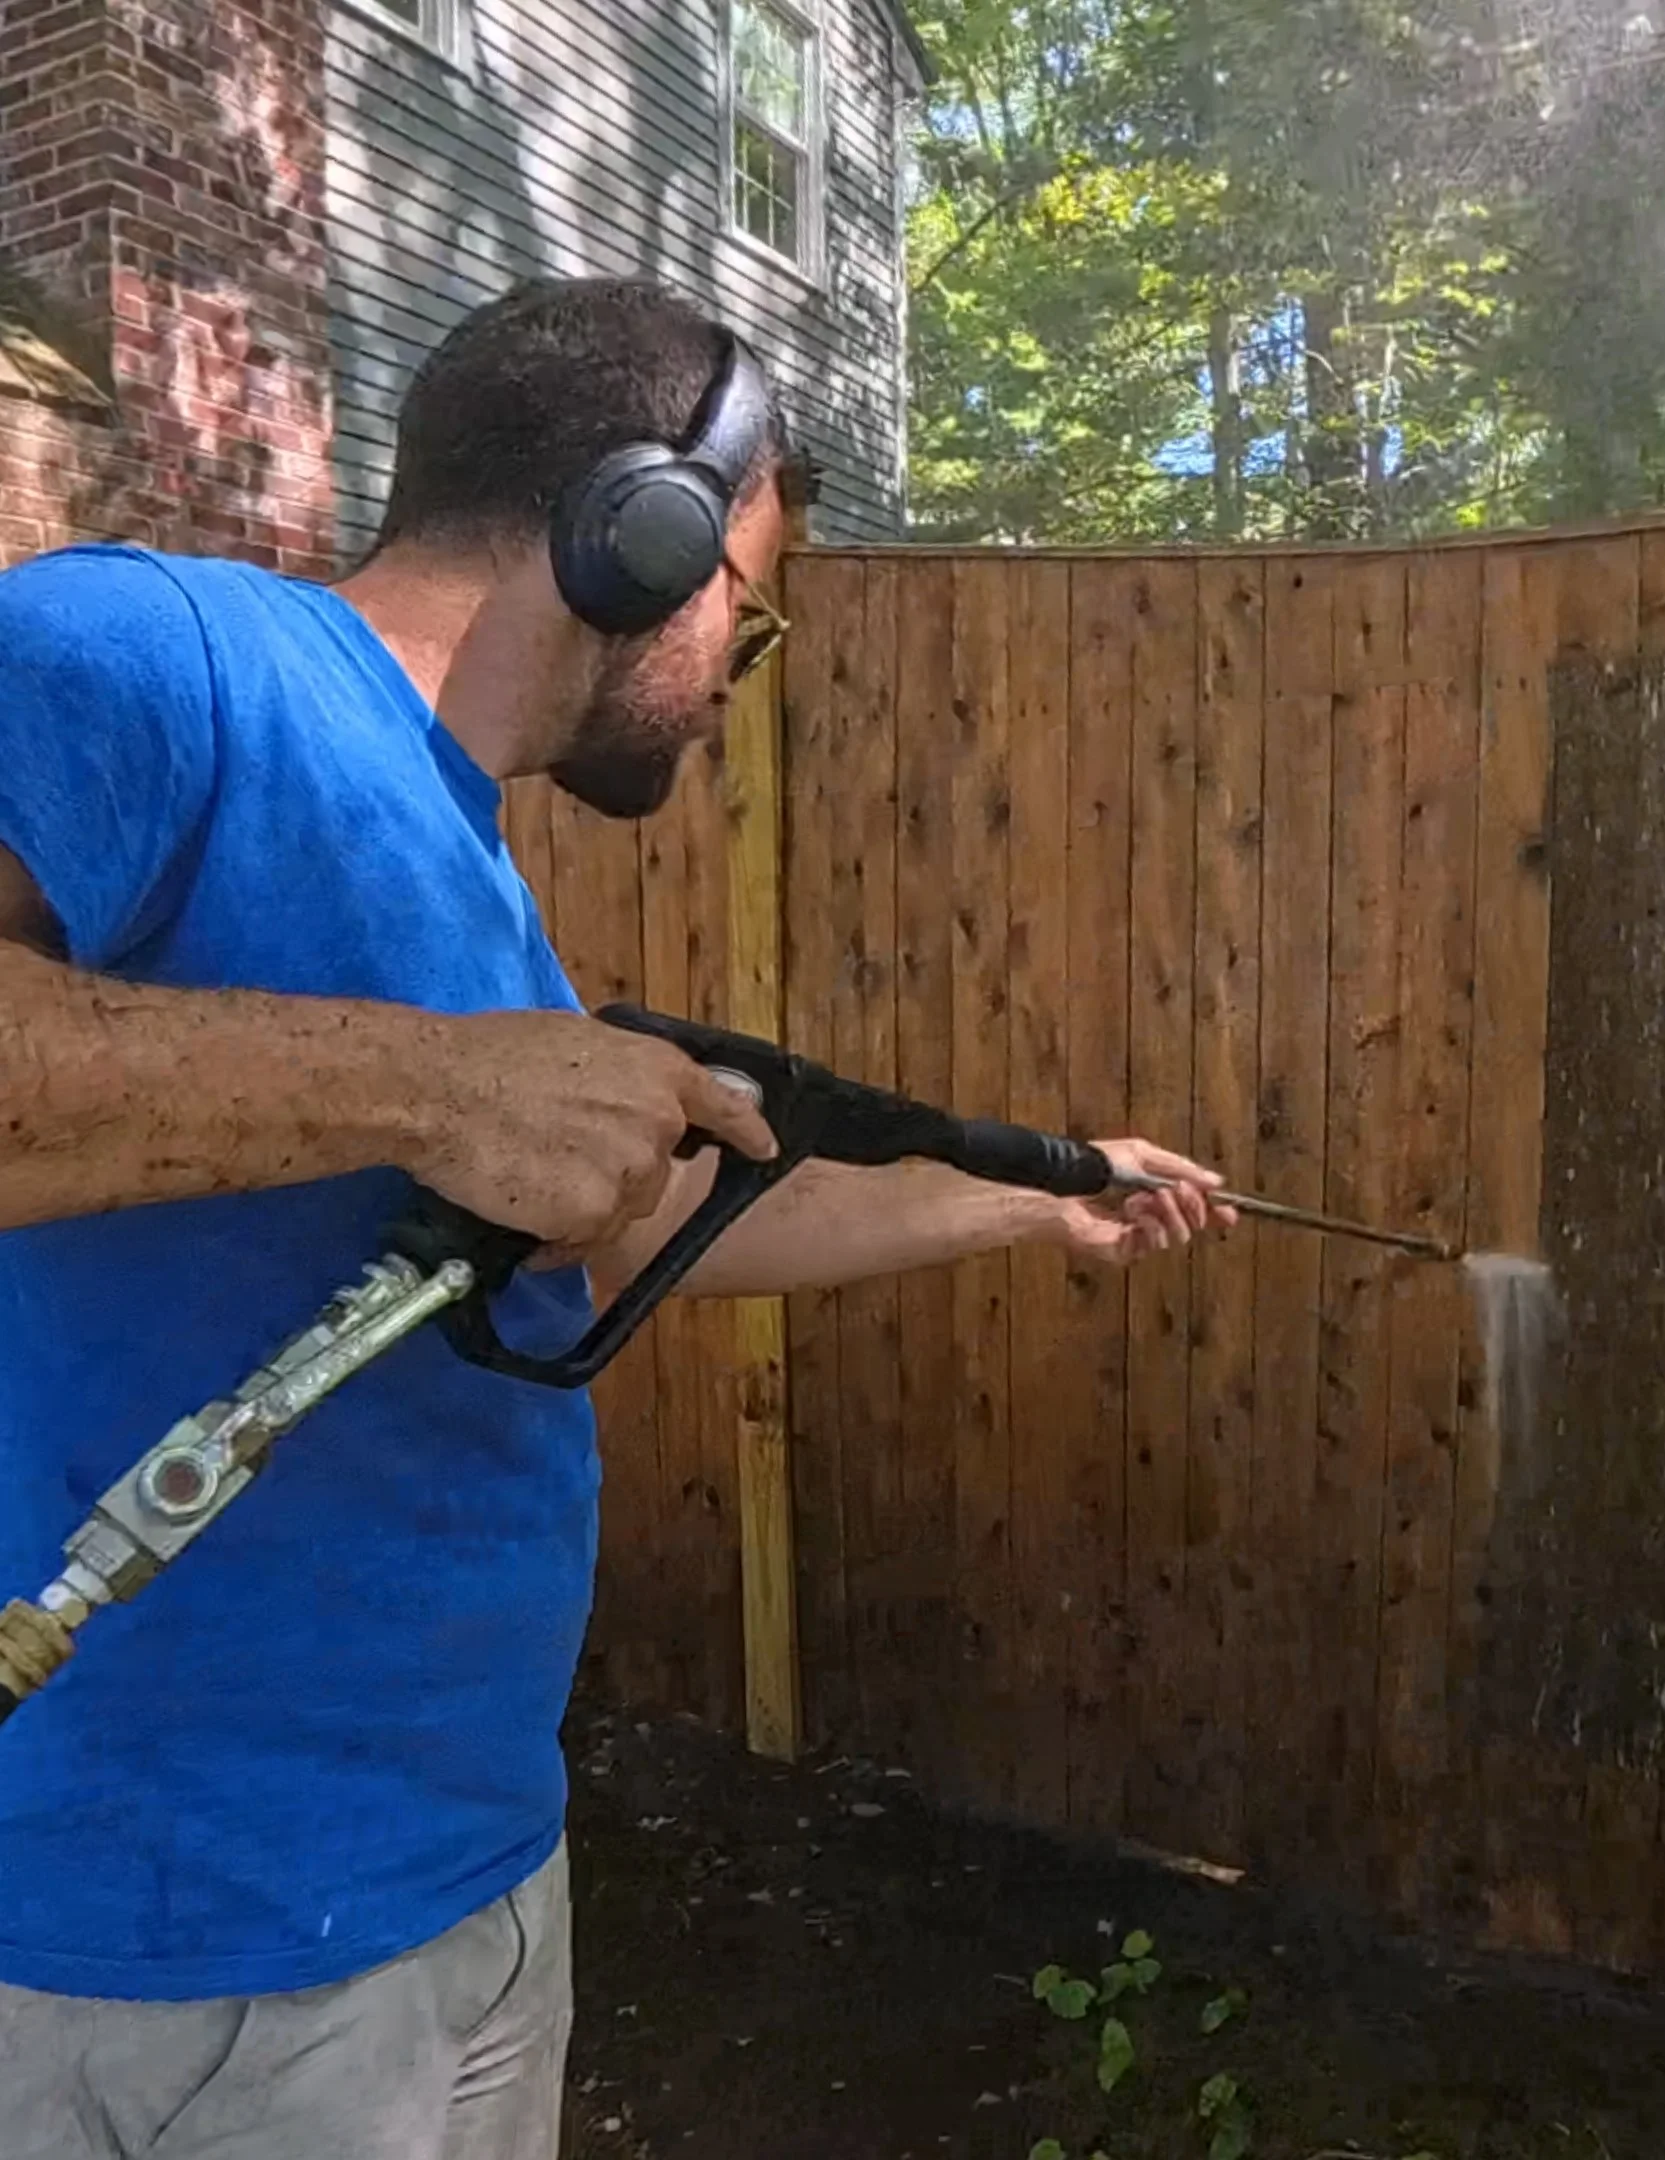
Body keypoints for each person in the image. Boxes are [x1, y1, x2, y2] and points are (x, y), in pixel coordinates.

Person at [0, 276, 1230, 2160]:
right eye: (758, 596)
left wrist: (1028, 1206)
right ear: (642, 527)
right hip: (186, 1954)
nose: (756, 655)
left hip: (468, 1885)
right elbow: (448, 1112)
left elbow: (614, 1229)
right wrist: (443, 1083)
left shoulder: (466, 872)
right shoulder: (154, 653)